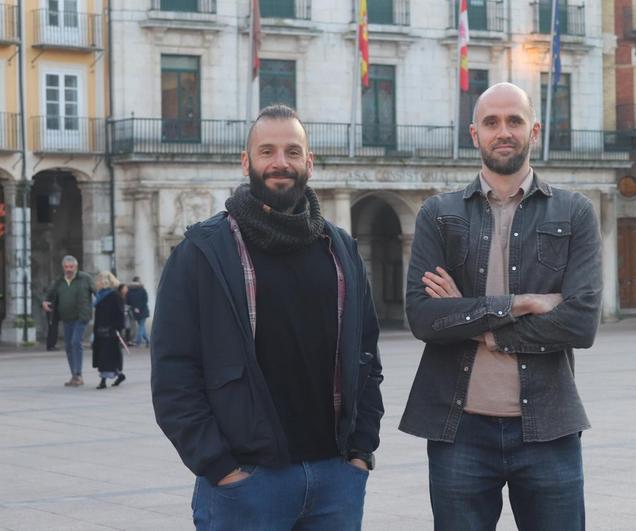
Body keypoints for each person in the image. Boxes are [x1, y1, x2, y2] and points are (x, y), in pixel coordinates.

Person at [151, 104, 384, 531]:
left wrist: (360, 451)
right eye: (267, 151)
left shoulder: (342, 251)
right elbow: (173, 371)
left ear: (309, 163)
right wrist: (219, 465)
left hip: (335, 477)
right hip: (246, 483)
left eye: (293, 152)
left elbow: (367, 354)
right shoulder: (203, 253)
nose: (281, 163)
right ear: (247, 162)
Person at [401, 82, 602, 531]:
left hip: (549, 426)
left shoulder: (574, 213)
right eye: (491, 122)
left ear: (534, 130)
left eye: (514, 121)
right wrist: (521, 304)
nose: (503, 131)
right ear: (474, 134)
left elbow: (581, 322)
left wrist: (479, 323)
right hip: (460, 430)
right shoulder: (439, 214)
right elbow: (423, 317)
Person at [43, 256, 95, 387]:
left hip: (82, 316)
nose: (69, 270)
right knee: (68, 346)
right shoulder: (59, 281)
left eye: (71, 267)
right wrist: (45, 301)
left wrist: (101, 305)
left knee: (75, 342)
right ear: (63, 267)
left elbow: (97, 292)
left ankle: (78, 374)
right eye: (66, 267)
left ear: (76, 267)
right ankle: (74, 375)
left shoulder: (85, 278)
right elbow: (50, 293)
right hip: (66, 317)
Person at [92, 273, 127, 389]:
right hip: (100, 329)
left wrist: (117, 327)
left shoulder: (114, 295)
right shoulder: (99, 295)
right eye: (100, 280)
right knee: (105, 356)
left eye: (104, 280)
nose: (101, 282)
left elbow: (120, 313)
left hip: (111, 330)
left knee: (106, 356)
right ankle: (119, 375)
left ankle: (103, 381)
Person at [126, 276, 150, 347]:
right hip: (143, 310)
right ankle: (138, 341)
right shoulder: (142, 290)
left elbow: (128, 301)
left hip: (134, 311)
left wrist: (134, 308)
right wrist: (138, 308)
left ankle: (147, 340)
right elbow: (145, 300)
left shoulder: (129, 291)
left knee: (141, 326)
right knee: (141, 326)